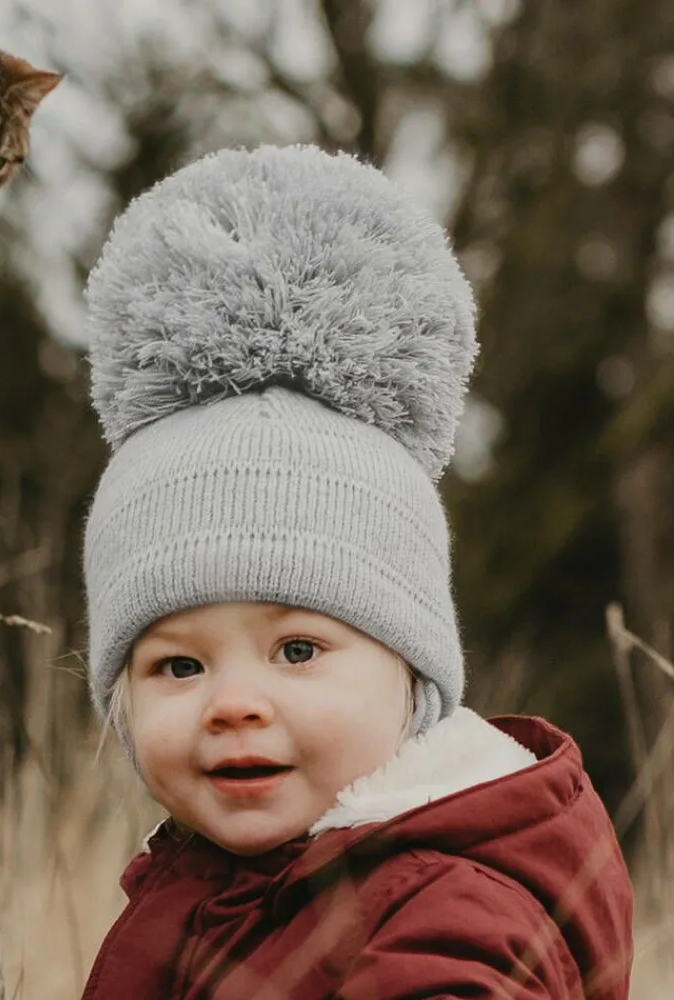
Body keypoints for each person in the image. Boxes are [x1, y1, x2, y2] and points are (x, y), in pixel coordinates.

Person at [79, 144, 634, 999]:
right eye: (178, 666)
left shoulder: (449, 911)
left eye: (297, 650)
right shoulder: (216, 883)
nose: (233, 705)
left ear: (413, 670)